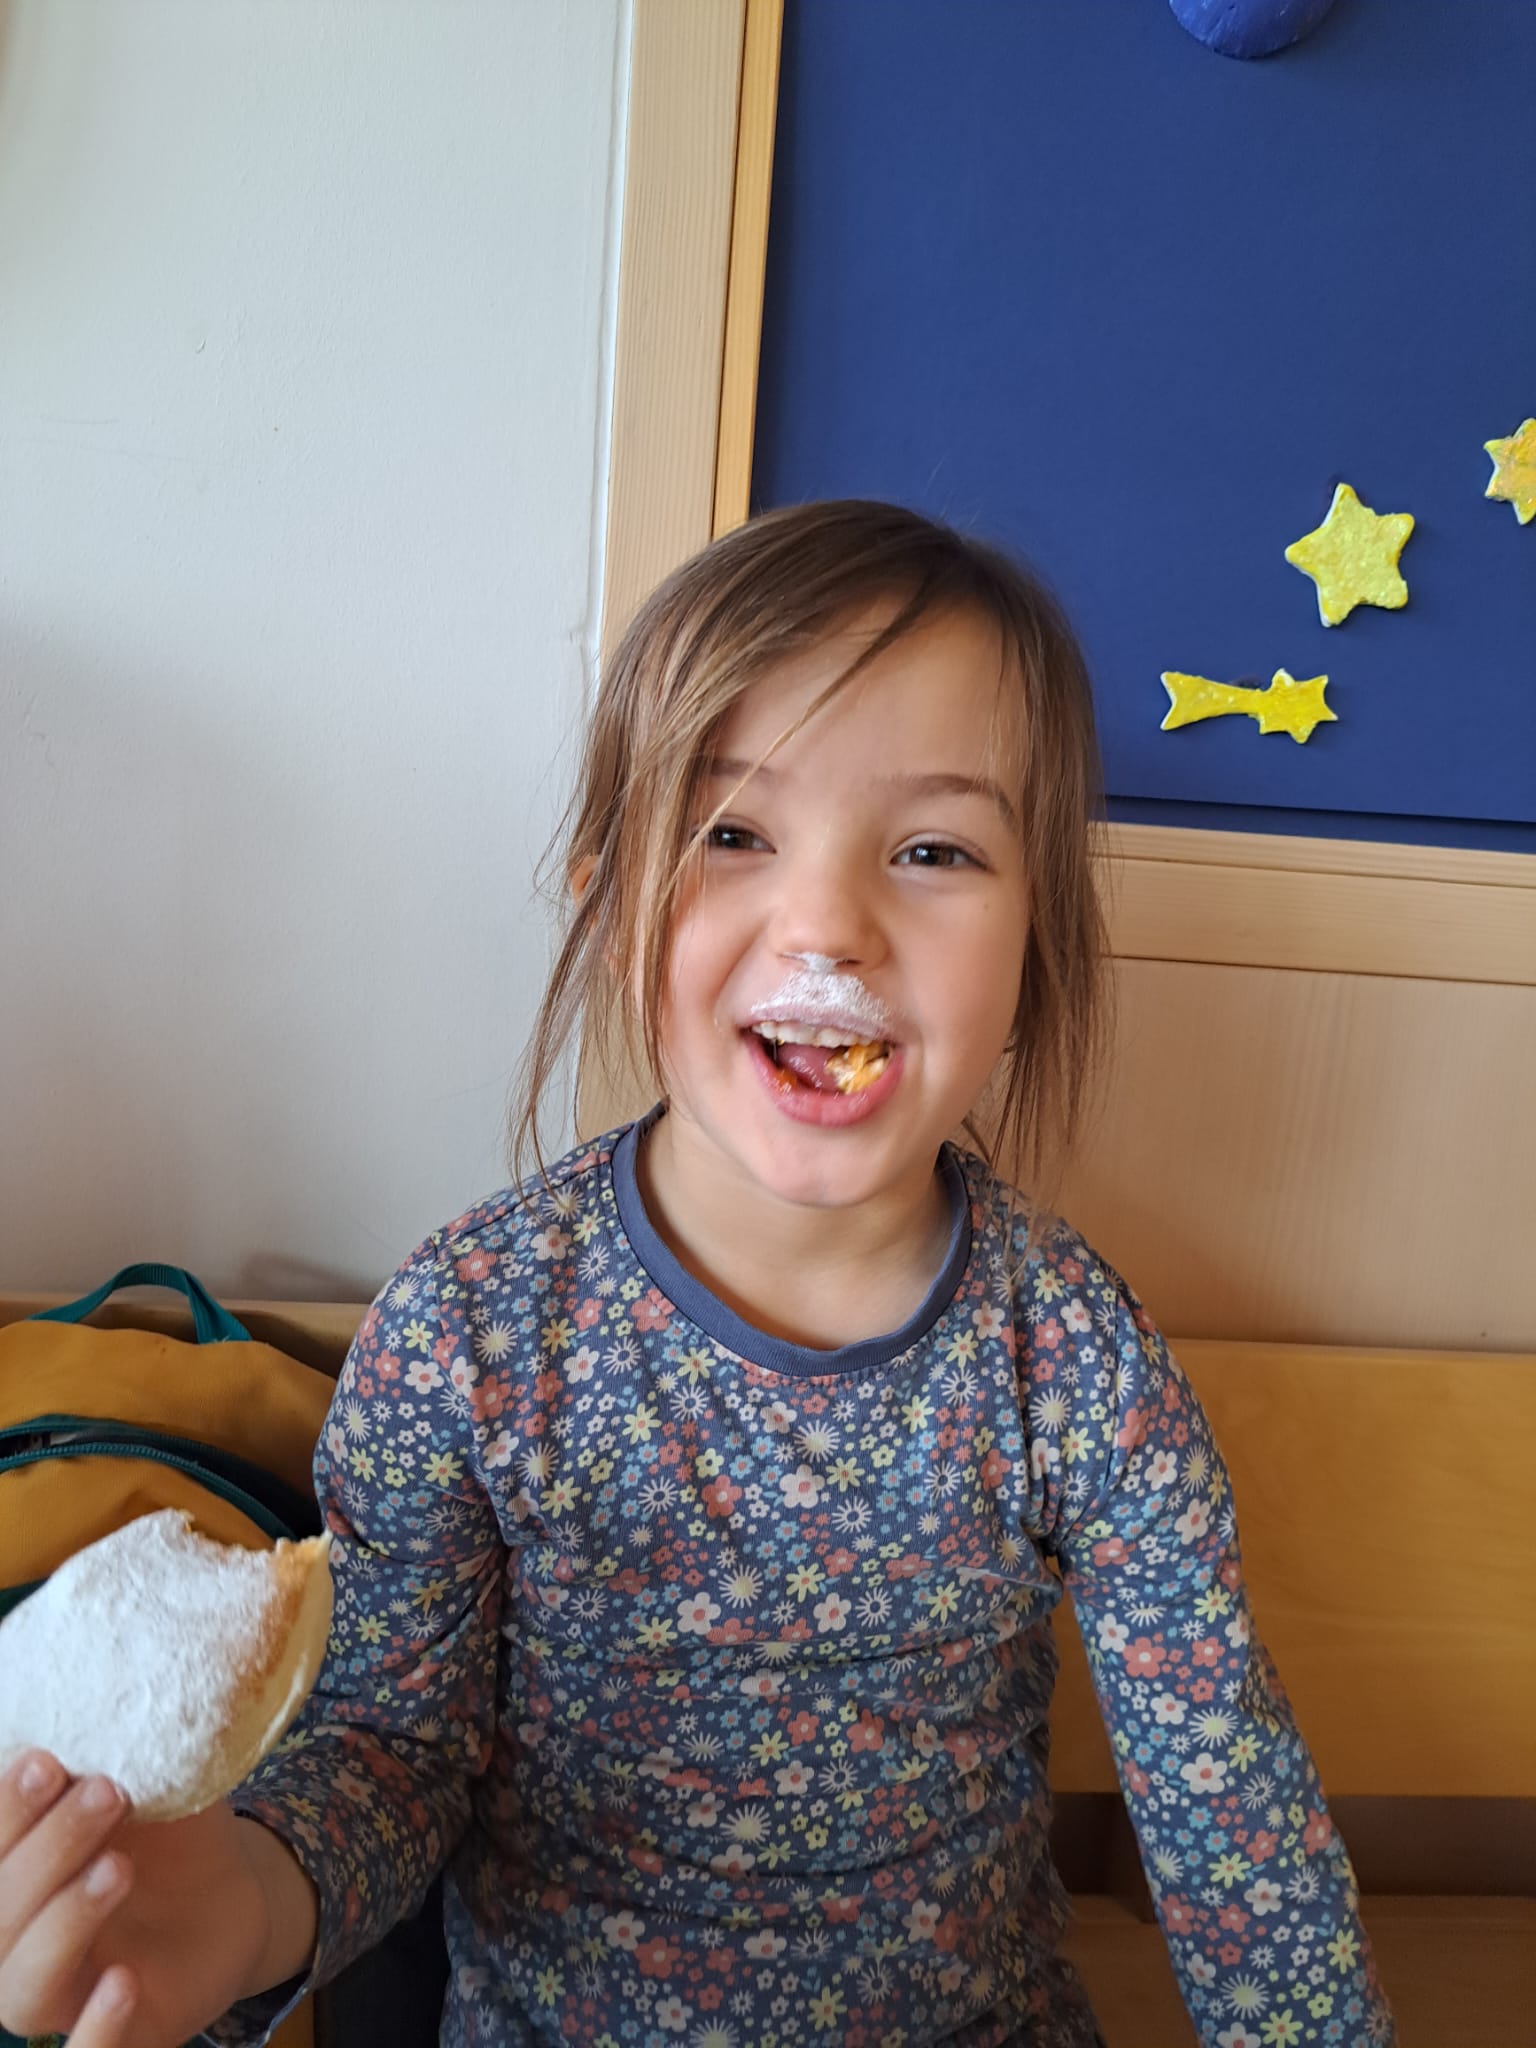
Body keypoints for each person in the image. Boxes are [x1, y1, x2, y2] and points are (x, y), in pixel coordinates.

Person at [0, 502, 1394, 2047]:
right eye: (734, 832)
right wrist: (245, 1905)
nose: (829, 925)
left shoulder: (1072, 1358)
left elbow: (1229, 1815)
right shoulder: (468, 1334)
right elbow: (390, 1757)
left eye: (934, 850)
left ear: (1035, 947)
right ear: (612, 902)